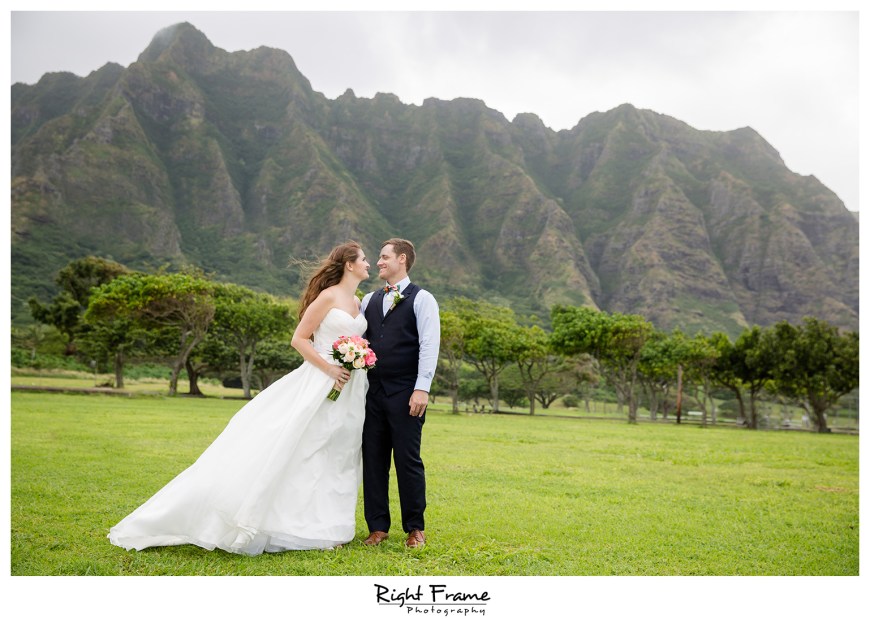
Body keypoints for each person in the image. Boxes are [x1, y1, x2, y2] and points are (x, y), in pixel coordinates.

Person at [108, 241, 371, 555]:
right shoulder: (328, 296)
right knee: (305, 449)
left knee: (339, 454)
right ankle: (283, 523)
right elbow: (299, 339)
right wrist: (329, 367)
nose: (369, 264)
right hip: (320, 381)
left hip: (352, 388)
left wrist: (358, 359)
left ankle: (328, 526)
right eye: (365, 259)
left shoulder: (358, 301)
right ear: (349, 264)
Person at [360, 239, 440, 549]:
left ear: (401, 259)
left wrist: (422, 387)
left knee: (408, 460)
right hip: (373, 392)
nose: (378, 262)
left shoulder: (422, 299)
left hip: (407, 392)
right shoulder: (368, 299)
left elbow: (429, 345)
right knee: (373, 460)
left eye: (384, 257)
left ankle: (415, 529)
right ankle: (377, 527)